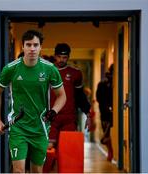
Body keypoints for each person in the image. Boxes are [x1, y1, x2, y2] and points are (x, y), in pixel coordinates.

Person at [0, 30, 66, 173]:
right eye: (29, 45)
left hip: (40, 128)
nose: (32, 48)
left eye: (35, 45)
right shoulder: (11, 69)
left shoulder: (50, 69)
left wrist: (54, 111)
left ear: (40, 47)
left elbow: (62, 96)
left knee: (36, 170)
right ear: (23, 46)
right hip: (18, 127)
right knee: (19, 170)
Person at [43, 43, 95, 172]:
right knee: (48, 149)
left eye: (65, 57)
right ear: (55, 56)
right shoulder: (46, 72)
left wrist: (88, 114)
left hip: (69, 118)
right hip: (51, 118)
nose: (62, 60)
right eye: (59, 57)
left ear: (68, 57)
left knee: (67, 152)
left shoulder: (75, 73)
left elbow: (80, 96)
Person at [96, 64, 114, 161]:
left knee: (106, 135)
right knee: (106, 135)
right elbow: (99, 98)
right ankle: (110, 151)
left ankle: (111, 152)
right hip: (105, 113)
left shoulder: (117, 82)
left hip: (113, 112)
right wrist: (107, 107)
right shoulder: (103, 84)